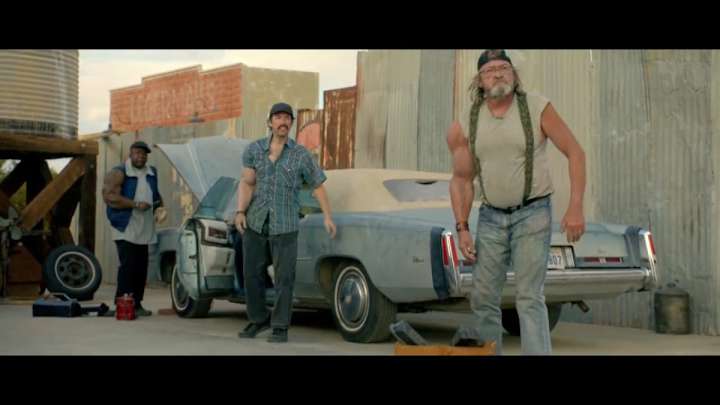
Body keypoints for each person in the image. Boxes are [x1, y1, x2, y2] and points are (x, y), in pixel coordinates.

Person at [447, 50, 586, 354]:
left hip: (532, 213)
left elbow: (575, 152)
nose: (498, 74)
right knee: (483, 296)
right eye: (489, 71)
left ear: (514, 74)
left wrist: (575, 206)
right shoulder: (466, 122)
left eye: (504, 68)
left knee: (529, 296)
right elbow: (461, 180)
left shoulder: (536, 107)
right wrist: (462, 228)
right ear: (479, 81)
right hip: (491, 216)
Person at [234, 102, 337, 343]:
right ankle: (258, 319)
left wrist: (328, 216)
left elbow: (318, 186)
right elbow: (247, 182)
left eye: (287, 118)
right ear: (270, 122)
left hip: (286, 224)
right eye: (278, 117)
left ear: (291, 123)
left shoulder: (301, 155)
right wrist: (240, 212)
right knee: (251, 275)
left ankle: (280, 326)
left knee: (284, 278)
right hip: (256, 221)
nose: (283, 122)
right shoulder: (254, 150)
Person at [102, 141, 165, 317]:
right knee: (128, 266)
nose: (141, 157)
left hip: (144, 226)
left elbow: (155, 194)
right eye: (137, 153)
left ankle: (136, 304)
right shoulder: (119, 172)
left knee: (141, 266)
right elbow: (109, 197)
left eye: (144, 154)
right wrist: (135, 204)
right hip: (125, 225)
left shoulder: (152, 172)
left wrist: (160, 208)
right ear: (130, 154)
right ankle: (121, 303)